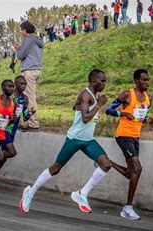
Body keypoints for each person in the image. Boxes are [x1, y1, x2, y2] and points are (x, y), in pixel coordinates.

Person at [19, 69, 123, 214]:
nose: (105, 83)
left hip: (88, 140)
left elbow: (78, 108)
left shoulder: (91, 95)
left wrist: (79, 106)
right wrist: (99, 104)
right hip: (74, 139)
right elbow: (86, 118)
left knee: (106, 164)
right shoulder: (86, 94)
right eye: (102, 80)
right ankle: (30, 193)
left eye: (105, 80)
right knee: (55, 168)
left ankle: (82, 194)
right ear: (93, 81)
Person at [105, 69, 153, 220]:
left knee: (130, 173)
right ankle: (127, 208)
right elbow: (108, 110)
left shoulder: (148, 98)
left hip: (135, 137)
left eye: (148, 80)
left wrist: (147, 120)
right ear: (136, 81)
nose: (147, 83)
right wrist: (122, 113)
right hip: (123, 135)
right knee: (138, 169)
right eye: (144, 80)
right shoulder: (127, 94)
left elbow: (139, 118)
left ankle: (106, 162)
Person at [0, 76, 34, 193]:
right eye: (21, 84)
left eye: (25, 84)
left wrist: (29, 114)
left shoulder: (25, 99)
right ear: (15, 84)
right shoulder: (9, 97)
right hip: (4, 130)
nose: (23, 87)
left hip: (12, 131)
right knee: (10, 153)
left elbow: (24, 116)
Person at [14, 20, 43, 131]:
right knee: (29, 96)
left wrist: (18, 49)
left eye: (21, 30)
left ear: (25, 30)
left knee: (29, 97)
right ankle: (25, 121)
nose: (21, 32)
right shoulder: (37, 39)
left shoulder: (28, 39)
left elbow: (21, 56)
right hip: (37, 69)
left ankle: (33, 123)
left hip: (29, 71)